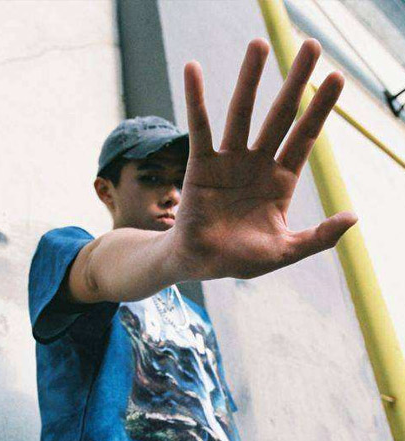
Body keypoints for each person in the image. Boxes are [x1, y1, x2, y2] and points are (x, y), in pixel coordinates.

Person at [28, 38, 358, 441]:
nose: (173, 194)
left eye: (180, 181)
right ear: (105, 191)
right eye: (151, 177)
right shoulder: (69, 255)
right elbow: (96, 272)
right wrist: (174, 253)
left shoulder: (197, 319)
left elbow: (214, 417)